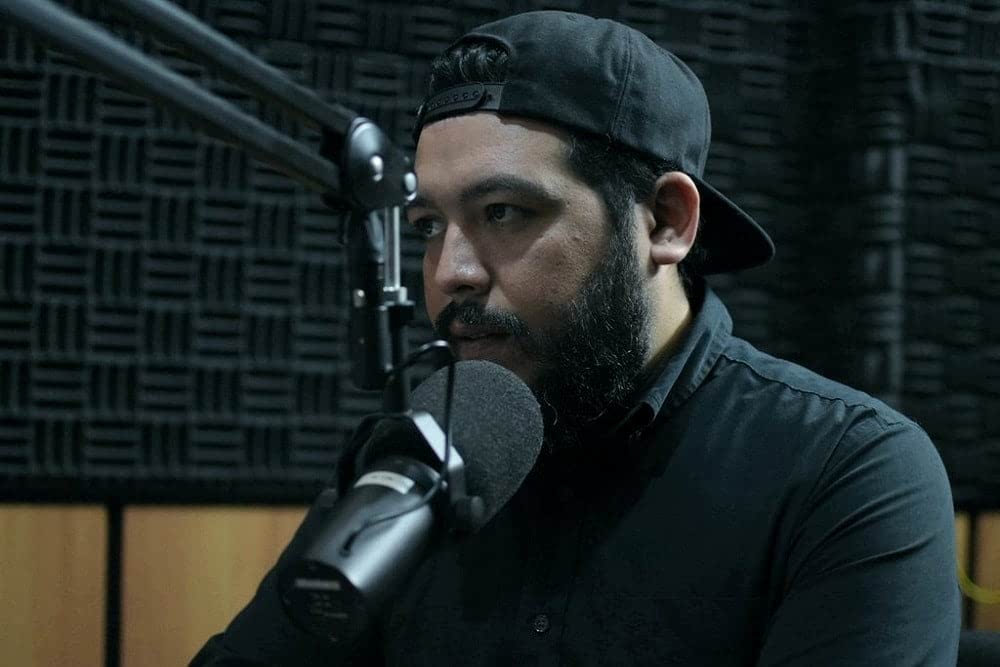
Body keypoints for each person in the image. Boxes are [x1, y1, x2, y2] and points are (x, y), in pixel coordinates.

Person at [192, 10, 960, 665]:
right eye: (427, 225)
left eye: (504, 212)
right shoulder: (414, 459)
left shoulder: (844, 472)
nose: (450, 272)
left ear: (666, 221)